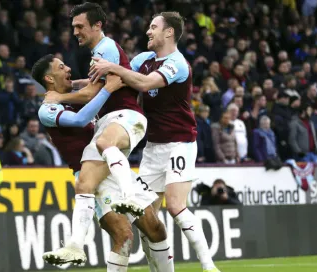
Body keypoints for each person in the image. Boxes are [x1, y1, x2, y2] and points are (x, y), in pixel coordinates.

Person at [89, 11, 219, 272]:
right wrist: (71, 89)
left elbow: (146, 84)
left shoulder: (177, 63)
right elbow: (116, 81)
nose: (148, 31)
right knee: (146, 219)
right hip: (153, 148)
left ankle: (209, 266)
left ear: (168, 32)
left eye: (153, 27)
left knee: (175, 206)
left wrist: (112, 66)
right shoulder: (144, 59)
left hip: (180, 143)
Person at [34, 55, 173, 271]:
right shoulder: (47, 109)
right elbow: (80, 120)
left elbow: (86, 88)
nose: (68, 68)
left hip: (109, 168)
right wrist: (107, 89)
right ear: (49, 78)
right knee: (124, 236)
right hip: (90, 176)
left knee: (156, 229)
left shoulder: (72, 99)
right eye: (62, 67)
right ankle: (74, 245)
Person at [44, 3, 147, 216]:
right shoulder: (100, 51)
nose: (75, 32)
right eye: (73, 27)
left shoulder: (106, 49)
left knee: (102, 145)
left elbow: (91, 93)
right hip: (113, 121)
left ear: (97, 25)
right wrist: (73, 85)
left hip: (124, 116)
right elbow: (92, 85)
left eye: (80, 26)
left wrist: (59, 96)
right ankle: (75, 247)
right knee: (84, 185)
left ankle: (130, 197)